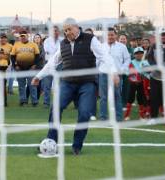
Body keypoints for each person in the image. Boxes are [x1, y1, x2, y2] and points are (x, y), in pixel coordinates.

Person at [31, 18, 119, 155]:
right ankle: (51, 141)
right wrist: (38, 76)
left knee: (84, 113)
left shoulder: (91, 39)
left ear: (77, 27)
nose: (67, 33)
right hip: (67, 83)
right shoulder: (63, 43)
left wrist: (113, 72)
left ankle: (77, 146)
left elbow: (104, 56)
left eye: (69, 29)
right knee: (56, 108)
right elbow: (52, 63)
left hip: (87, 83)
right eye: (65, 30)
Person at [99, 27, 131, 121]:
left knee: (117, 96)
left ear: (116, 35)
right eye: (108, 35)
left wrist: (122, 69)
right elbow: (98, 60)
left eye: (112, 34)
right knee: (103, 97)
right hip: (104, 74)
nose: (110, 36)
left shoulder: (122, 46)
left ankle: (118, 117)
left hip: (117, 75)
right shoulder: (101, 46)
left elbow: (128, 59)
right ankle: (103, 118)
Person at [11, 30, 40, 106]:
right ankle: (23, 101)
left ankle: (34, 101)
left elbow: (37, 56)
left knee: (32, 85)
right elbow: (12, 57)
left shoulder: (33, 44)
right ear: (20, 37)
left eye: (24, 36)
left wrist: (35, 65)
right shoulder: (16, 45)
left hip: (31, 67)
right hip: (20, 68)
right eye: (21, 36)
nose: (23, 37)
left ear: (27, 36)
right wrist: (15, 66)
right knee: (21, 86)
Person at [124, 47, 150, 120]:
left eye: (140, 53)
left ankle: (141, 116)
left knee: (141, 99)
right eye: (137, 54)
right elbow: (127, 72)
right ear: (134, 55)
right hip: (132, 83)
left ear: (143, 54)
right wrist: (133, 76)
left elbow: (148, 73)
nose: (139, 55)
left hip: (142, 82)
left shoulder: (146, 62)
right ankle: (126, 115)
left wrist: (144, 75)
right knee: (130, 98)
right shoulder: (131, 62)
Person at [42, 26, 63, 108]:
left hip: (59, 64)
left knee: (58, 85)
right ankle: (46, 103)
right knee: (47, 85)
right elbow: (48, 52)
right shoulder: (47, 41)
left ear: (58, 32)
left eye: (56, 31)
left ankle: (57, 103)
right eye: (53, 31)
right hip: (49, 64)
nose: (55, 32)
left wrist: (57, 54)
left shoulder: (62, 41)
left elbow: (62, 52)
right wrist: (57, 53)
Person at [33, 33, 45, 100]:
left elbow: (41, 56)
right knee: (32, 83)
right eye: (35, 37)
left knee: (39, 83)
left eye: (38, 37)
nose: (37, 39)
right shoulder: (31, 46)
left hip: (40, 67)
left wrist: (34, 58)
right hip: (32, 67)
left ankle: (37, 98)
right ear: (33, 39)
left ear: (40, 39)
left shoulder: (42, 47)